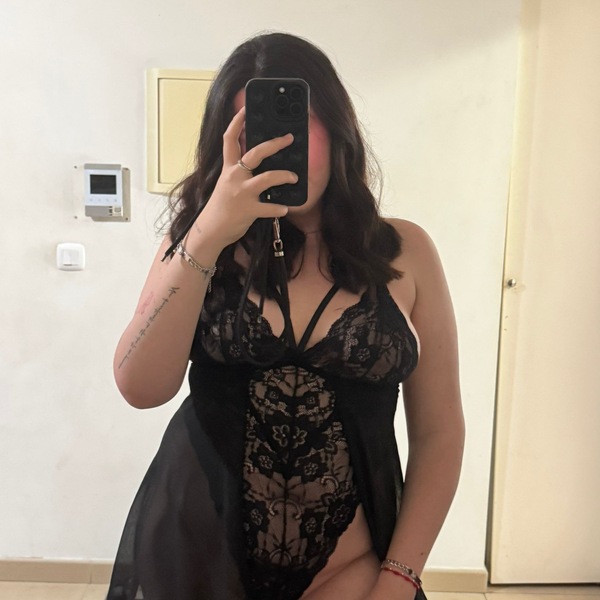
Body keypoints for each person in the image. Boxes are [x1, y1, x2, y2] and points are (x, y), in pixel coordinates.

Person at [107, 32, 464, 600]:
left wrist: (401, 577)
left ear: (338, 128)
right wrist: (207, 236)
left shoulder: (405, 251)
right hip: (195, 560)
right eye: (256, 131)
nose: (280, 145)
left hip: (354, 571)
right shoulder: (194, 244)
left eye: (300, 123)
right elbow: (140, 387)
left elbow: (440, 432)